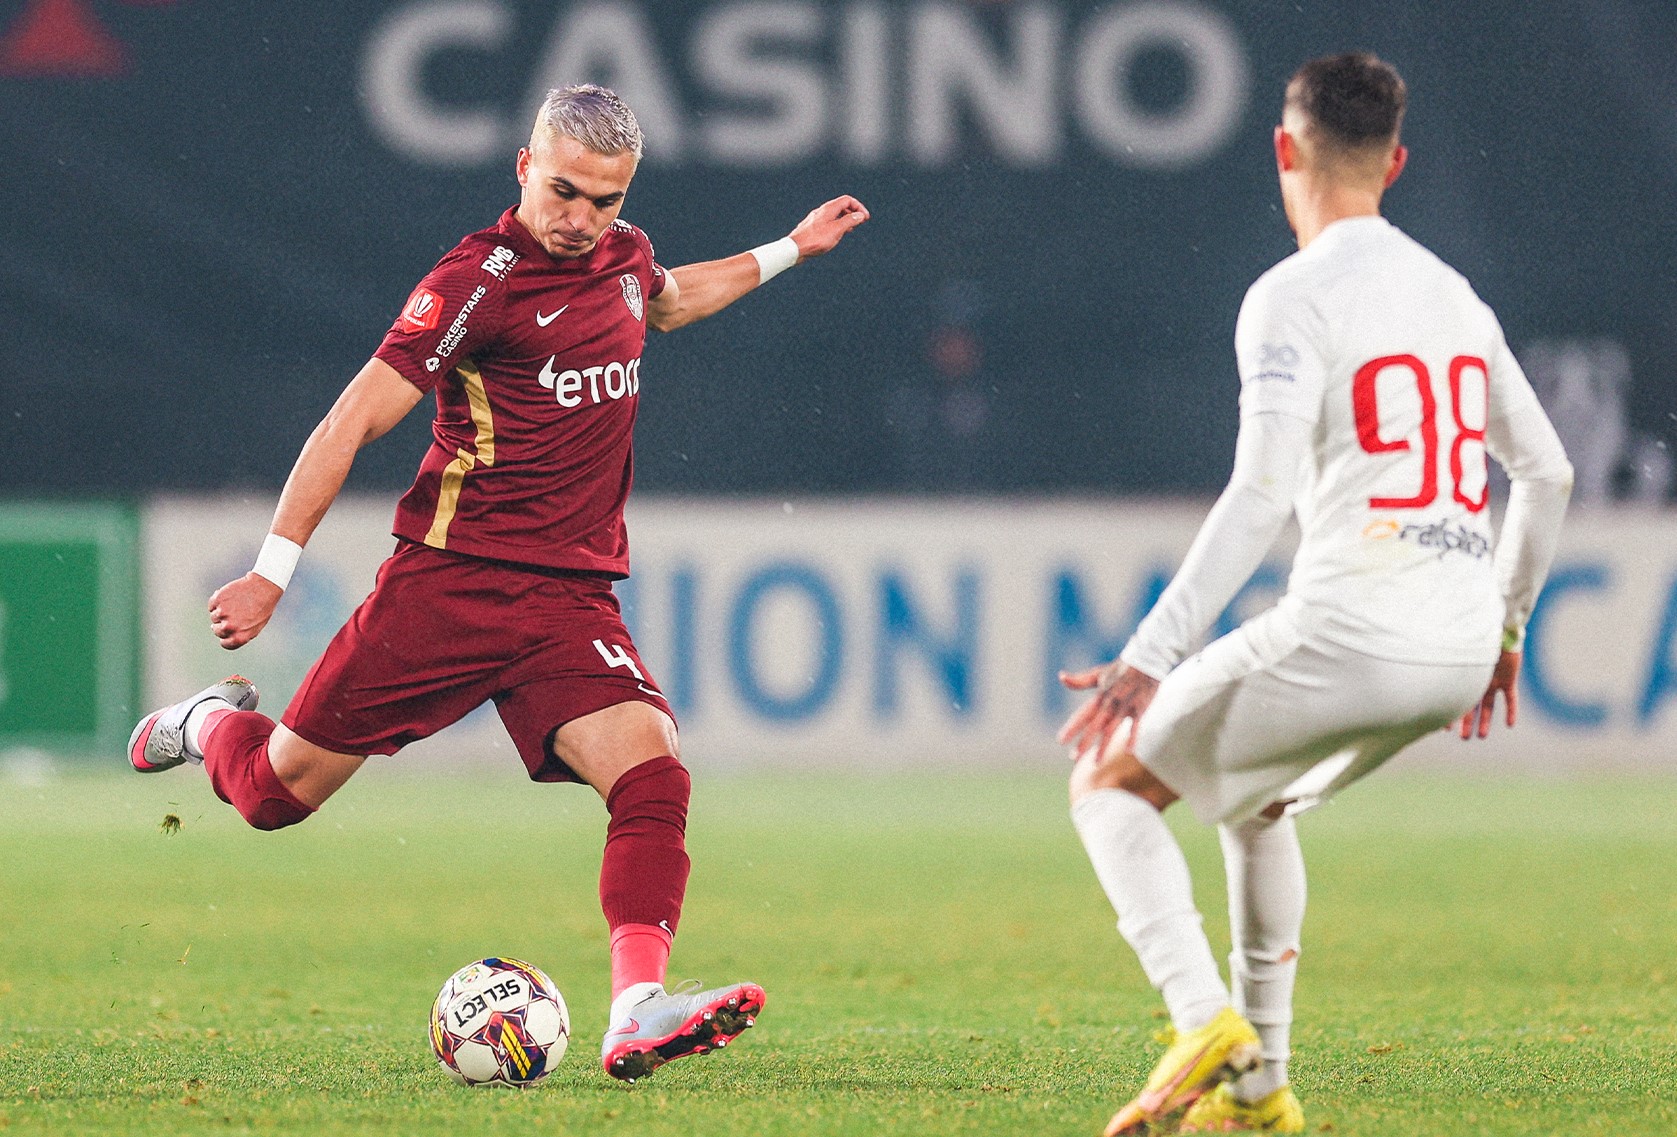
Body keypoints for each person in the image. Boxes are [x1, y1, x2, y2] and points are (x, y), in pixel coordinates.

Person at [129, 83, 869, 1083]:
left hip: (571, 601)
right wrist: (271, 572)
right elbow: (352, 422)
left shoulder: (623, 254)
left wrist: (789, 250)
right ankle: (207, 725)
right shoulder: (474, 284)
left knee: (653, 772)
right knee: (272, 797)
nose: (580, 219)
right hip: (450, 586)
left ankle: (639, 1009)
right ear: (524, 167)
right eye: (564, 191)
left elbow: (671, 298)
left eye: (603, 200)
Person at [1056, 53, 1572, 1135]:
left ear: (1284, 152)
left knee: (1106, 783)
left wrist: (1148, 656)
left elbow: (1261, 491)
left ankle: (1205, 1024)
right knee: (1254, 798)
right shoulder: (1454, 296)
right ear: (1398, 161)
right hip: (1457, 651)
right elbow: (1548, 472)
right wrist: (1510, 627)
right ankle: (1259, 1092)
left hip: (1353, 633)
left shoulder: (1290, 296)